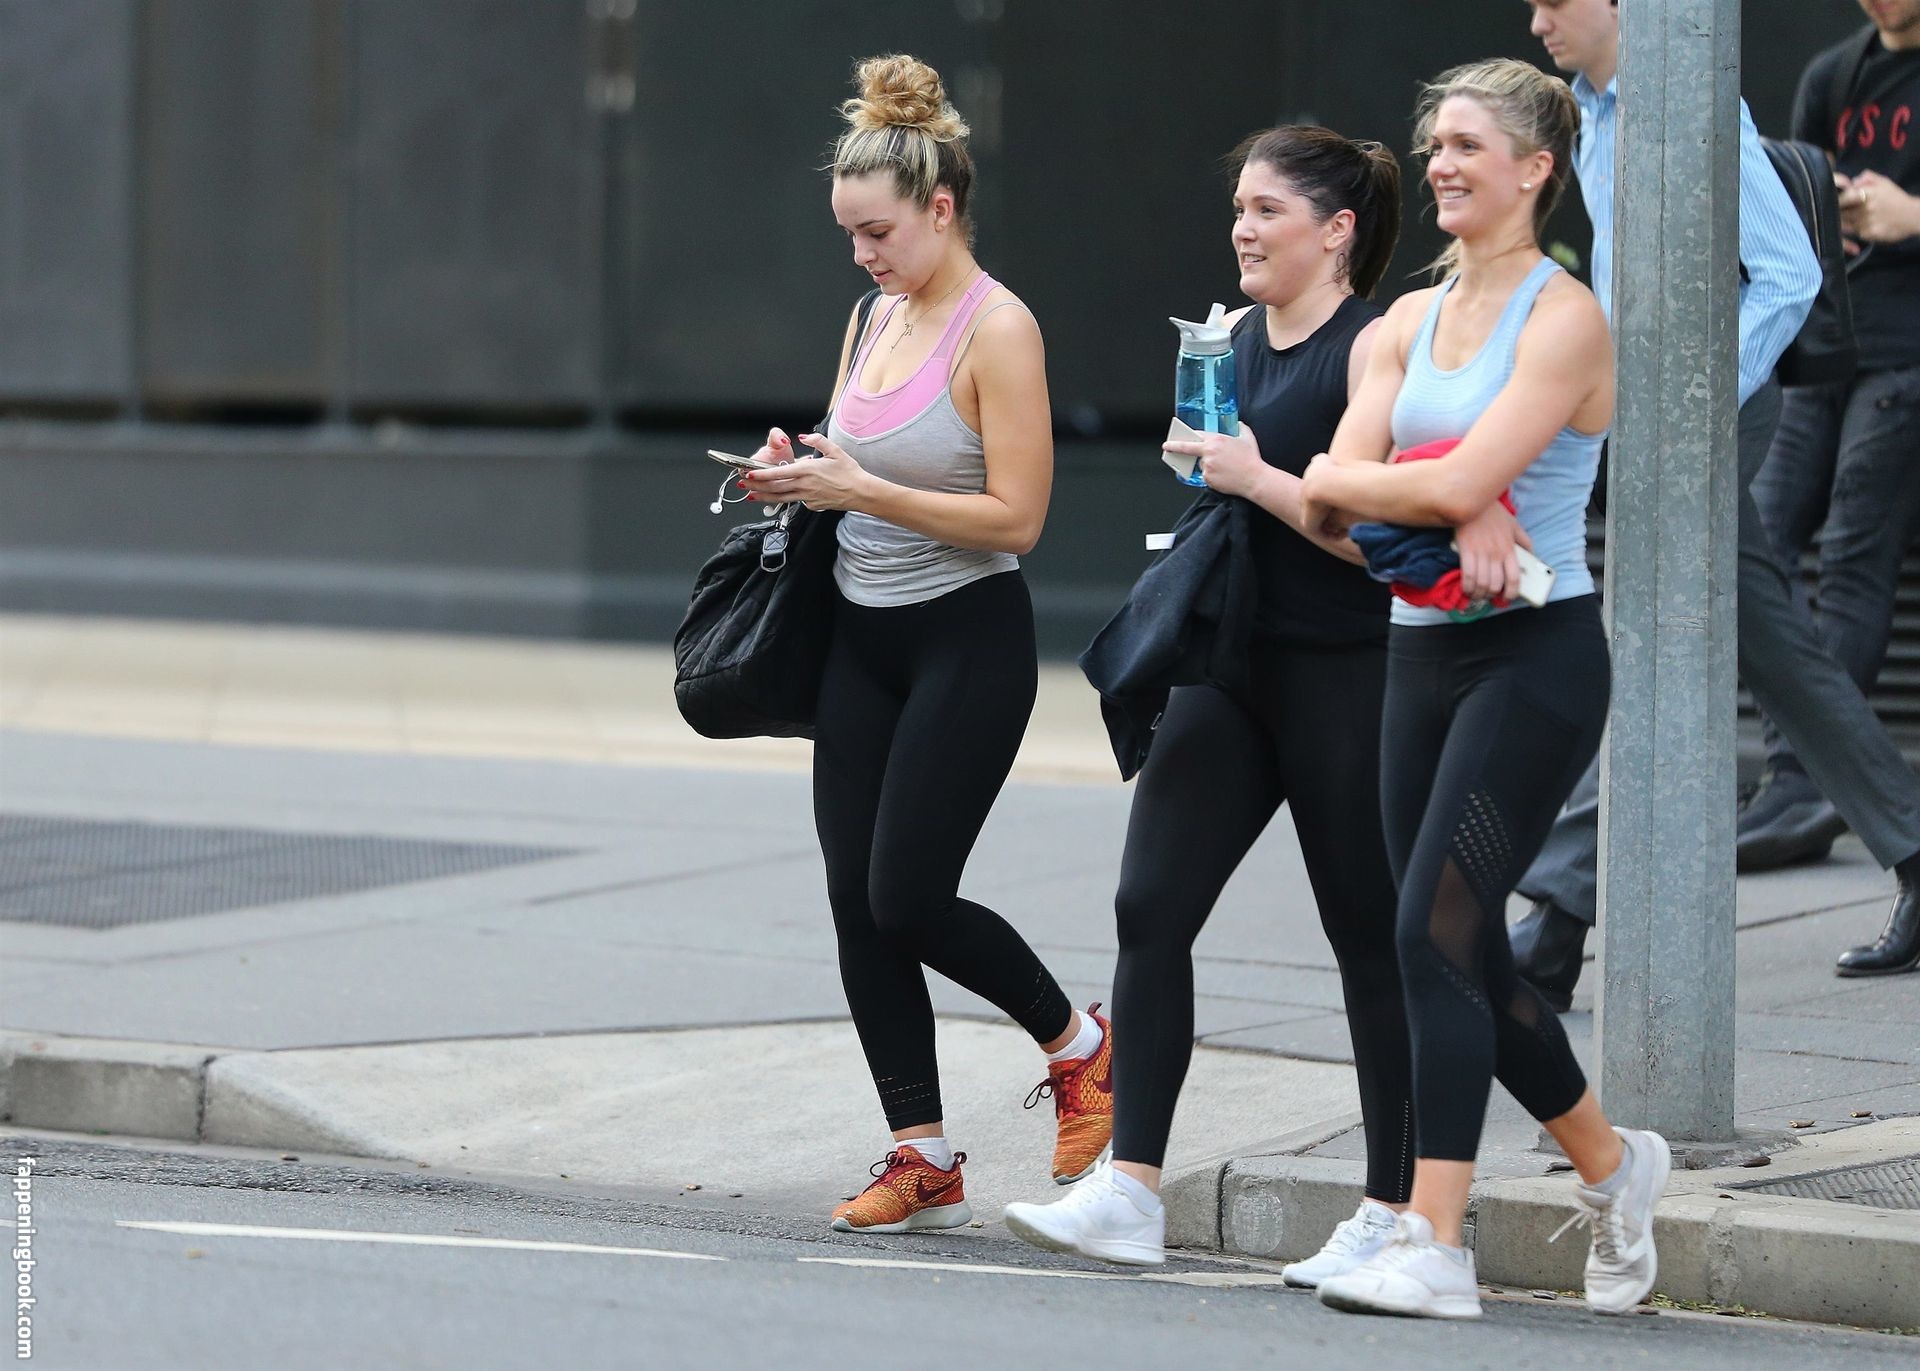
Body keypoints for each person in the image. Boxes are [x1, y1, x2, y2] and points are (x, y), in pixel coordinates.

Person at [1001, 128, 1417, 1280]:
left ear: (1337, 230)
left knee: (1367, 940)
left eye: (1268, 210)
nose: (1243, 228)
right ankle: (1131, 1192)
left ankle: (1394, 1209)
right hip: (1230, 670)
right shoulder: (1230, 345)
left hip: (1345, 674)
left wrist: (1255, 476)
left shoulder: (1371, 347)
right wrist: (1209, 470)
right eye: (1238, 208)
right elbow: (1221, 486)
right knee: (1149, 906)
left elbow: (1384, 542)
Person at [1295, 58, 1670, 1321]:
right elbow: (1325, 501)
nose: (1441, 163)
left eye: (1466, 145)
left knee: (1431, 932)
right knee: (1450, 946)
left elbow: (1390, 482)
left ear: (1535, 168)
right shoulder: (1403, 323)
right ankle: (1614, 1169)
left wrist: (1446, 490)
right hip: (1419, 650)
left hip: (1533, 654)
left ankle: (1435, 1242)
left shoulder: (1566, 320)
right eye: (1437, 142)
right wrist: (1448, 498)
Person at [739, 53, 1111, 1233]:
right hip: (861, 637)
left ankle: (1081, 1046)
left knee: (907, 894)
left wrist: (863, 490)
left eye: (878, 233)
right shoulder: (873, 315)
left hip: (966, 639)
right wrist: (799, 472)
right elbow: (855, 458)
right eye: (850, 236)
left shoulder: (1000, 330)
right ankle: (924, 1156)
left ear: (940, 209)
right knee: (856, 903)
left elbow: (1019, 519)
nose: (863, 255)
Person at [1511, 0, 1920, 1005]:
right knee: (1771, 646)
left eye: (1555, 1)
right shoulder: (1591, 111)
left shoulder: (1685, 104)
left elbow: (1787, 274)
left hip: (1704, 411)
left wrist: (1689, 401)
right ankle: (1916, 849)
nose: (1538, 22)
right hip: (1654, 410)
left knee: (1642, 638)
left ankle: (1555, 921)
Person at [1743, 0, 1920, 975]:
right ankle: (1795, 781)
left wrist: (1911, 216)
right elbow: (1785, 210)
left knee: (1852, 554)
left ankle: (1807, 789)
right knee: (1759, 538)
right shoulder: (1833, 75)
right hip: (1826, 343)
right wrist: (1838, 208)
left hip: (1909, 355)